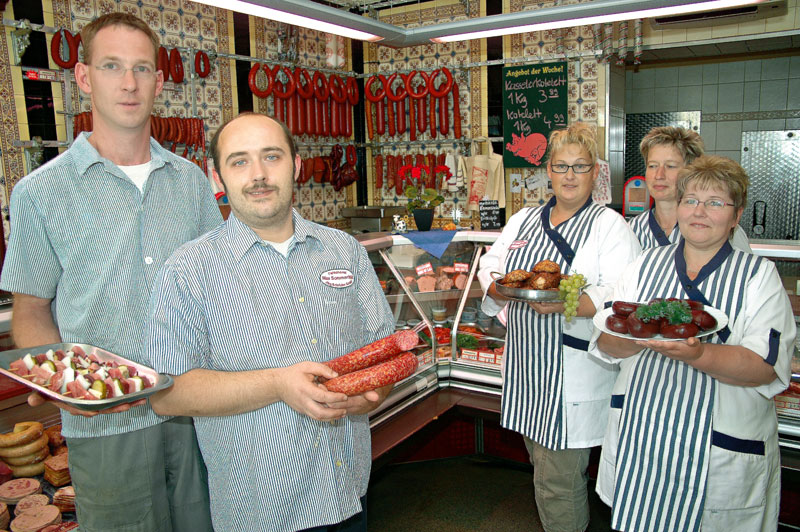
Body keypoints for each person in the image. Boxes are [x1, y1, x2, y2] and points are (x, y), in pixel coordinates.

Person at [0, 13, 219, 532]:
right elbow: (30, 311)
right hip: (104, 427)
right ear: (83, 77)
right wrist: (58, 381)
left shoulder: (191, 183)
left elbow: (219, 286)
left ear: (159, 82)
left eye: (142, 69)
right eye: (112, 66)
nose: (128, 83)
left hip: (198, 410)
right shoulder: (39, 192)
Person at [144, 112, 396, 532]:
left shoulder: (344, 251)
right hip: (260, 512)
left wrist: (371, 393)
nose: (258, 175)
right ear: (217, 176)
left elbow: (382, 350)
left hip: (348, 493)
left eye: (272, 157)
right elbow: (168, 394)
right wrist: (278, 384)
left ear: (296, 165)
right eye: (239, 161)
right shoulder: (187, 271)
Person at [591, 155, 795, 532]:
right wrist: (640, 335)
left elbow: (763, 367)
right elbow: (607, 342)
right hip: (644, 438)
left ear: (736, 216)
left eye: (716, 202)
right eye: (691, 200)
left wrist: (700, 354)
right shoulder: (644, 266)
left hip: (717, 450)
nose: (700, 211)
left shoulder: (757, 276)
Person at [477, 123, 641, 532]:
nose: (569, 175)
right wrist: (503, 286)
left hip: (572, 373)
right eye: (561, 166)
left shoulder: (610, 226)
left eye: (580, 167)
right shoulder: (523, 220)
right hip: (526, 370)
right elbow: (492, 265)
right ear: (547, 171)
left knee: (558, 483)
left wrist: (569, 304)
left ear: (595, 173)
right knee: (544, 469)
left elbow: (625, 295)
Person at [629, 126, 751, 251]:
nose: (659, 175)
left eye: (670, 166)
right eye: (652, 166)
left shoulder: (718, 229)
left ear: (690, 171)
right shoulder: (633, 229)